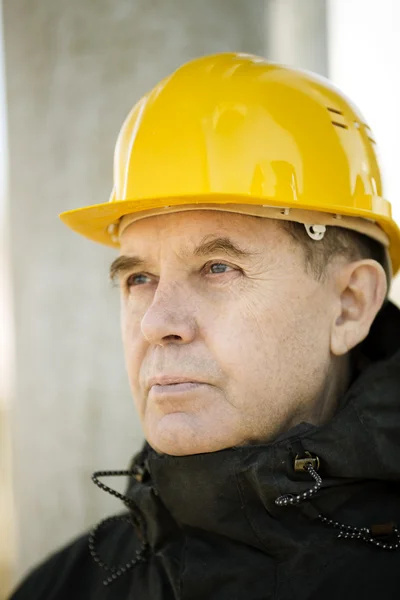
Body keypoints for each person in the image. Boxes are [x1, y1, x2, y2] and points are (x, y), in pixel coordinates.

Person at [9, 52, 400, 600]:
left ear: (350, 305)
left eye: (218, 268)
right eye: (138, 278)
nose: (157, 323)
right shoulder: (66, 586)